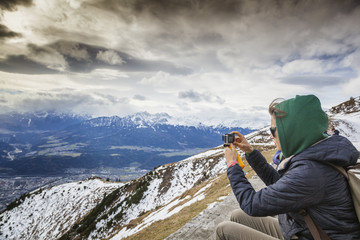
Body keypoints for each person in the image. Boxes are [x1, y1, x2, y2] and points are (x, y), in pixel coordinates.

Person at [216, 95, 360, 240]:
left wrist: (232, 165)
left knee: (224, 230)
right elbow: (278, 183)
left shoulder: (310, 172)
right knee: (237, 215)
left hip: (312, 234)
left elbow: (251, 204)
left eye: (273, 131)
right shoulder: (316, 154)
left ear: (292, 132)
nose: (271, 136)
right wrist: (250, 152)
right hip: (304, 229)